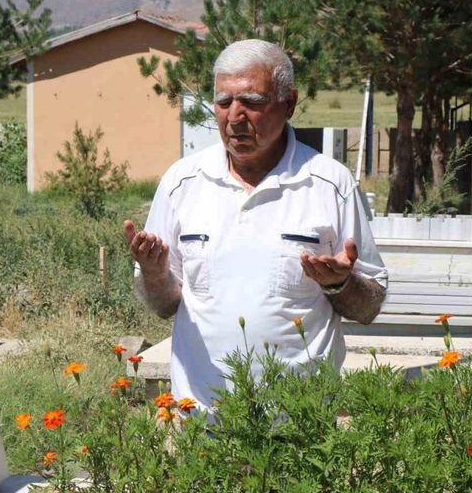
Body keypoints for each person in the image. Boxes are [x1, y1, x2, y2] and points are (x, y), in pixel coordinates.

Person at [123, 39, 388, 411]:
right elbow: (165, 305)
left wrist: (339, 284)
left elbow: (369, 307)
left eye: (252, 101)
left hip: (300, 420)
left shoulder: (330, 184)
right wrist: (153, 274)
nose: (235, 116)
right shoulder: (182, 182)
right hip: (202, 419)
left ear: (289, 103)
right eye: (223, 102)